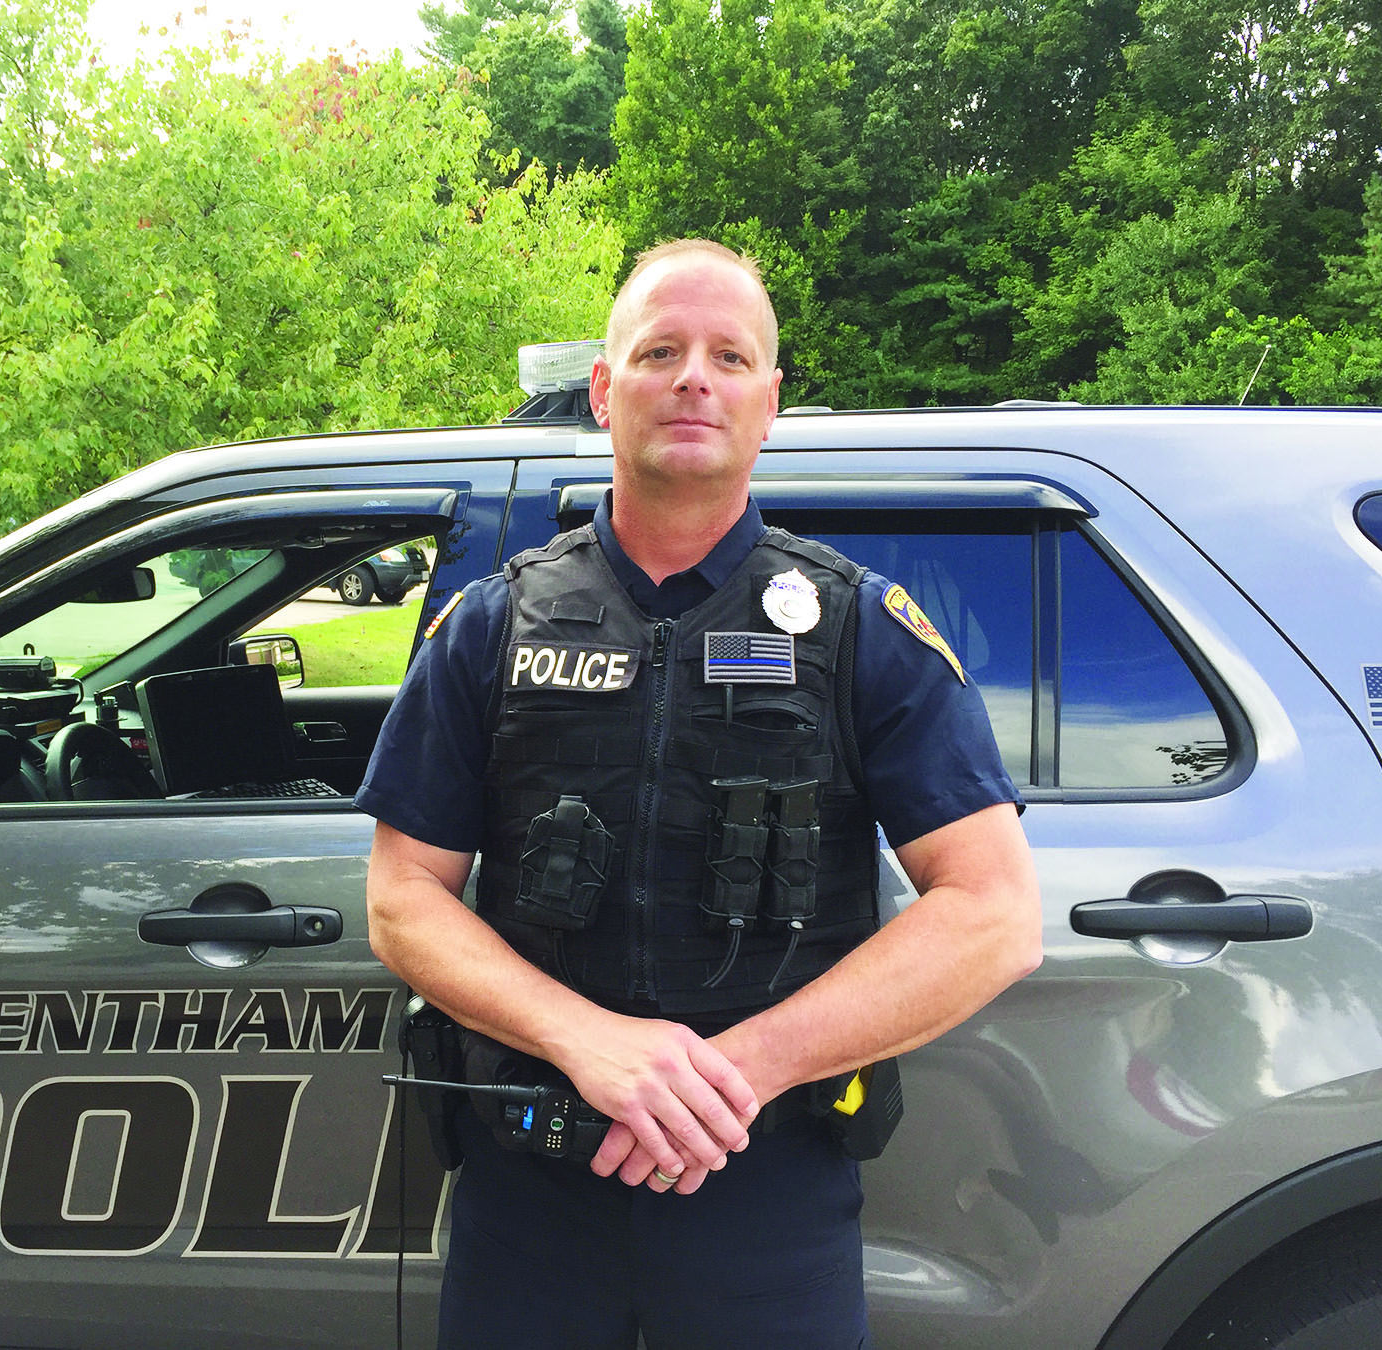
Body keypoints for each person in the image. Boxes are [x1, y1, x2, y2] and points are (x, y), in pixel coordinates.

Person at [357, 238, 1042, 1349]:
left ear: (770, 400)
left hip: (764, 1190)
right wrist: (591, 1043)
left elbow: (996, 914)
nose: (693, 378)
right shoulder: (493, 624)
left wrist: (730, 1075)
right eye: (661, 350)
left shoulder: (860, 628)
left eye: (730, 356)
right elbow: (402, 896)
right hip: (531, 1185)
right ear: (603, 388)